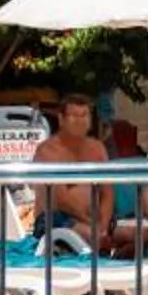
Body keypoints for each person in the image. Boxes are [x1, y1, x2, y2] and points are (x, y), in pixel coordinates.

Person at [30, 97, 110, 238]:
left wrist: (103, 223)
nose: (80, 121)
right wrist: (91, 224)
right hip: (56, 219)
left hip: (95, 221)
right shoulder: (48, 151)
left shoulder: (98, 148)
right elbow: (61, 199)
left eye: (84, 115)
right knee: (91, 236)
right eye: (74, 116)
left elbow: (107, 192)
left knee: (139, 233)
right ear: (62, 119)